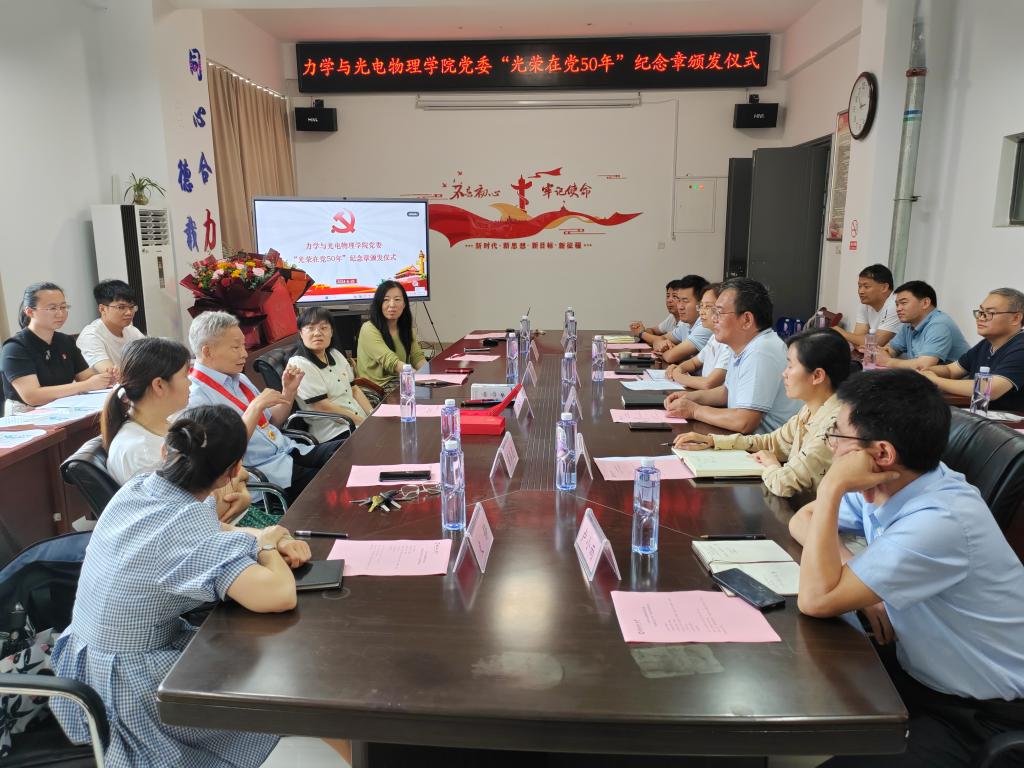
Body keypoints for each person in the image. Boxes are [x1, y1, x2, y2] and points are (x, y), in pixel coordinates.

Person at [49, 405, 355, 767]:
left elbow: (215, 531)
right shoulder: (186, 520)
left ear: (165, 450)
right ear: (235, 471)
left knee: (272, 659)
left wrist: (263, 537)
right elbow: (279, 595)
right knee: (296, 675)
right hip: (136, 690)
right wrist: (268, 544)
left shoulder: (138, 488)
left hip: (92, 668)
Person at [788, 369, 1024, 767]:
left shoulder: (941, 518)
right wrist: (860, 577)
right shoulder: (894, 481)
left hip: (978, 714)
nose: (831, 446)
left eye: (838, 435)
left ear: (880, 453)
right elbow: (803, 519)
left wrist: (829, 489)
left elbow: (816, 599)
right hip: (914, 672)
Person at [187, 311, 344, 502]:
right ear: (207, 351)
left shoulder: (239, 378)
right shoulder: (196, 396)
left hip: (288, 451)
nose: (244, 354)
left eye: (243, 346)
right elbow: (223, 456)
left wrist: (288, 392)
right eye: (236, 347)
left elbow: (273, 421)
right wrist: (255, 407)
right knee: (338, 480)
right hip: (265, 473)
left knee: (350, 450)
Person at [673, 329, 849, 499]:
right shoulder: (810, 410)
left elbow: (784, 483)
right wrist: (713, 441)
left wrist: (771, 464)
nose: (784, 374)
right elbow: (772, 442)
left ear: (817, 376)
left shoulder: (834, 427)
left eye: (790, 366)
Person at [102, 336, 250, 521]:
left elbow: (233, 471)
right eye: (185, 375)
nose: (190, 382)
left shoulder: (171, 422)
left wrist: (242, 492)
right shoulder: (141, 451)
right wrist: (237, 487)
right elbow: (183, 518)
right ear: (159, 385)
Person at [663, 277, 801, 434]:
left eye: (719, 312)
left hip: (768, 447)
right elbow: (727, 392)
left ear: (747, 319)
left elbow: (744, 421)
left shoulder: (761, 350)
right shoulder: (744, 346)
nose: (714, 318)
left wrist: (694, 410)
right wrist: (690, 397)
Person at [1, 282, 114, 414]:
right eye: (52, 308)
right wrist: (86, 385)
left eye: (63, 307)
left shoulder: (65, 341)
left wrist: (106, 378)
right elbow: (32, 396)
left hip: (63, 408)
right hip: (26, 414)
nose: (60, 313)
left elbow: (86, 377)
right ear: (30, 311)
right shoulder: (15, 347)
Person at [921, 287, 1024, 410]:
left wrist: (934, 380)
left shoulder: (1021, 347)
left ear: (1016, 318)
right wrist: (927, 372)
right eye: (980, 312)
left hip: (1011, 420)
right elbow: (951, 370)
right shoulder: (986, 344)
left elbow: (990, 390)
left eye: (989, 313)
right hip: (980, 414)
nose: (981, 318)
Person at [288, 306, 372, 442]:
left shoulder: (335, 354)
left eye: (323, 328)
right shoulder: (299, 363)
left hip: (358, 421)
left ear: (332, 332)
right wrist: (364, 423)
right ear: (301, 333)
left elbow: (354, 389)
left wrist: (372, 415)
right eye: (310, 328)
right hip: (334, 432)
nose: (317, 333)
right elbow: (323, 407)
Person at [873, 280, 970, 369]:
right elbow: (890, 350)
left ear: (925, 303)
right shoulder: (909, 325)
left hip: (954, 381)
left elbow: (924, 365)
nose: (898, 309)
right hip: (925, 378)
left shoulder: (939, 325)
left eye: (903, 303)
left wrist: (888, 362)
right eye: (897, 304)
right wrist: (884, 354)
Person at [355, 280, 426, 389]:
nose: (392, 304)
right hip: (377, 389)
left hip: (400, 381)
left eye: (397, 299)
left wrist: (431, 376)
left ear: (404, 304)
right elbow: (391, 362)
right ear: (379, 304)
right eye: (386, 300)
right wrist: (417, 378)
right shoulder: (368, 328)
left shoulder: (405, 328)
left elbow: (417, 357)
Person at [663, 283, 731, 390]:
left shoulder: (730, 343)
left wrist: (677, 375)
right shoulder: (714, 337)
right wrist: (679, 368)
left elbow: (708, 384)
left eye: (708, 307)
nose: (702, 312)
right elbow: (694, 362)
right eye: (701, 306)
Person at [75, 279, 145, 372]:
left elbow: (151, 357)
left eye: (131, 307)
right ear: (102, 309)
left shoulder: (132, 331)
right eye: (121, 307)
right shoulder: (91, 336)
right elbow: (111, 374)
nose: (129, 312)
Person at [834, 264, 901, 349]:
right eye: (859, 286)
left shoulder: (897, 305)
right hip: (874, 355)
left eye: (866, 286)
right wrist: (862, 344)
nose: (861, 291)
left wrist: (840, 332)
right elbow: (857, 337)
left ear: (884, 287)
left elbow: (877, 342)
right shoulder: (865, 303)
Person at [652, 274, 710, 361]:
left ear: (701, 303)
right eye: (679, 300)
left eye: (685, 301)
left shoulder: (705, 326)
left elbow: (670, 357)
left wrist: (666, 350)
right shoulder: (685, 324)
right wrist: (661, 344)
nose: (680, 307)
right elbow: (659, 339)